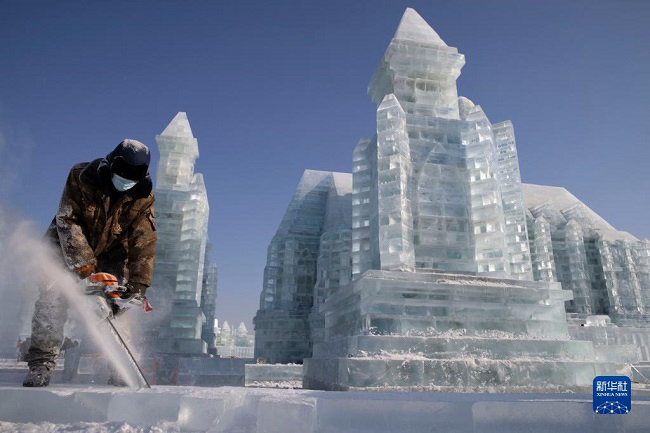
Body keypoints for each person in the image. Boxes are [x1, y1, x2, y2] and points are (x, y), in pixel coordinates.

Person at [23, 139, 157, 387]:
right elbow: (68, 221)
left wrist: (138, 285)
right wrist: (87, 272)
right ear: (111, 164)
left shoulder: (142, 197)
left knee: (117, 310)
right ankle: (41, 365)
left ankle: (122, 369)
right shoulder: (82, 177)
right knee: (51, 302)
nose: (126, 180)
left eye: (134, 176)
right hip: (63, 249)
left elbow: (144, 240)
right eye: (123, 173)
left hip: (110, 254)